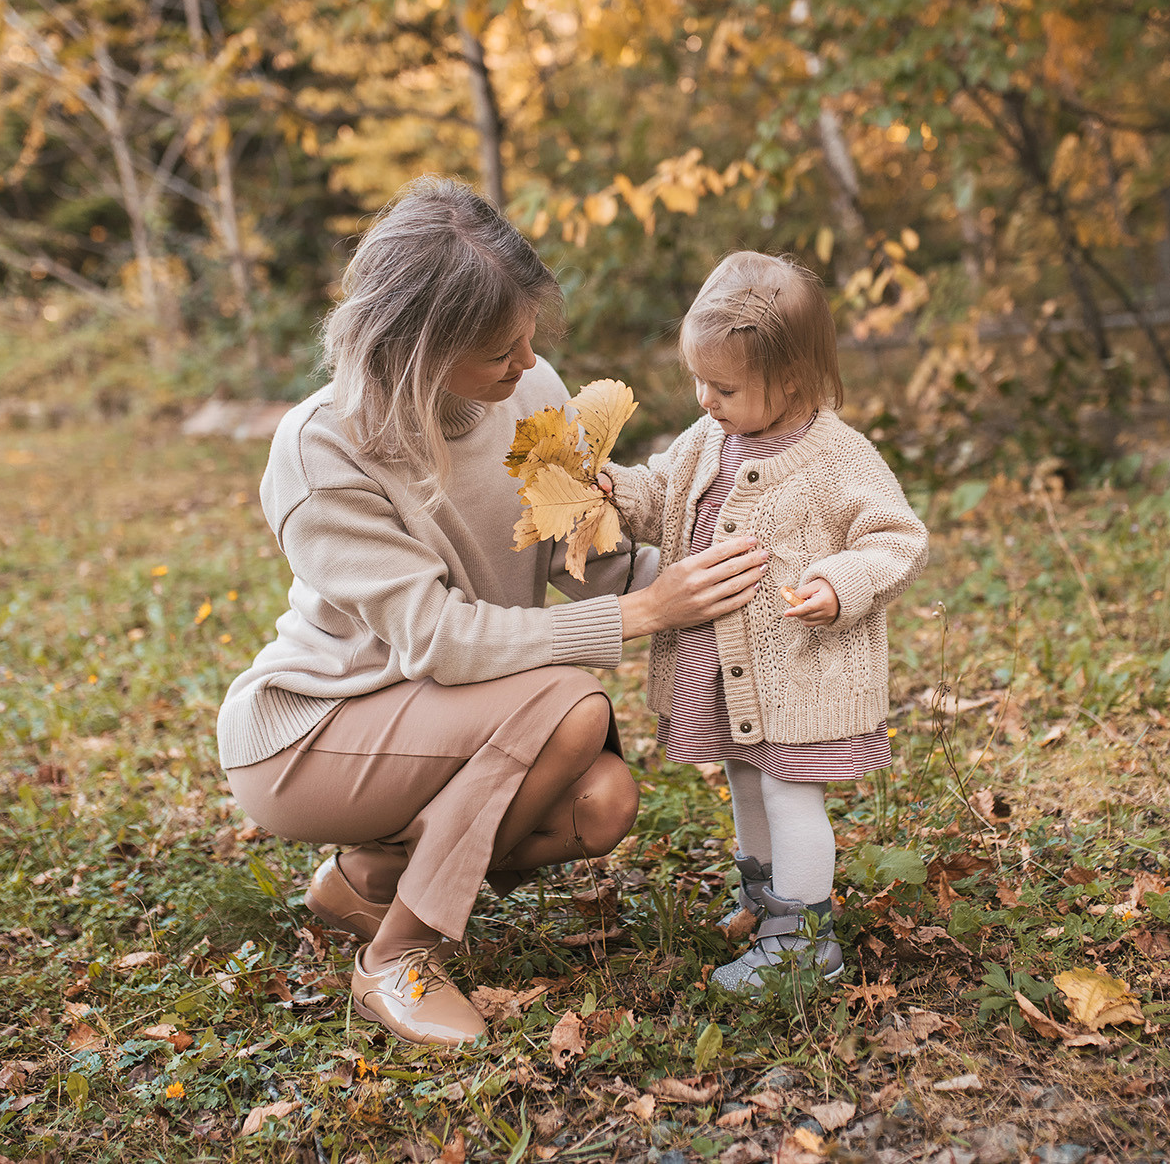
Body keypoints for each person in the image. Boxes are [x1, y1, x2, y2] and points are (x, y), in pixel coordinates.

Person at [217, 178, 770, 1046]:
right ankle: (397, 956)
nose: (524, 366)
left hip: (456, 714)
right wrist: (643, 615)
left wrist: (726, 579)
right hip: (314, 733)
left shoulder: (532, 387)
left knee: (604, 802)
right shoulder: (321, 448)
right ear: (414, 351)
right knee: (570, 704)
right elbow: (438, 639)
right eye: (496, 352)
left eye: (527, 338)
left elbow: (579, 556)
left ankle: (365, 879)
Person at [599, 252, 928, 993]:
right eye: (699, 381)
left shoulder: (836, 454)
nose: (704, 398)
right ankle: (766, 904)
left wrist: (840, 584)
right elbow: (661, 497)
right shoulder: (706, 438)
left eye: (724, 386)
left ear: (791, 380)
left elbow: (897, 539)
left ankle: (807, 940)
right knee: (744, 779)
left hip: (801, 670)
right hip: (728, 666)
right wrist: (616, 489)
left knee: (789, 790)